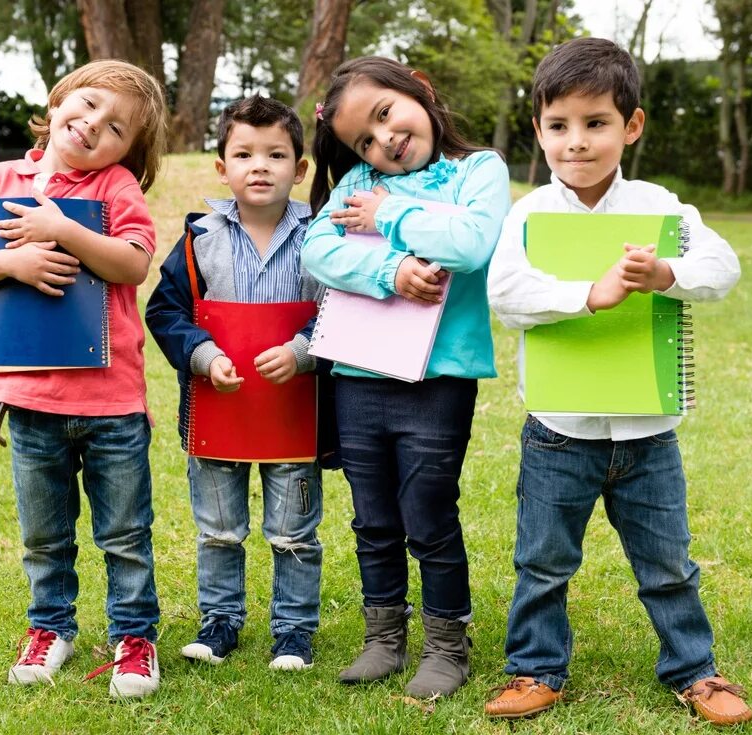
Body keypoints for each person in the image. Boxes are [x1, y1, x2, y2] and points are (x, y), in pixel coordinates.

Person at [485, 38, 752, 726]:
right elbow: (506, 292)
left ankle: (695, 670)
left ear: (630, 126)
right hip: (558, 433)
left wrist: (667, 273)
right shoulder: (528, 214)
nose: (576, 142)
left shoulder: (659, 207)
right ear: (539, 130)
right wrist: (590, 293)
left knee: (668, 565)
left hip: (647, 434)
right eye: (559, 125)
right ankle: (537, 667)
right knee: (542, 561)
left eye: (596, 122)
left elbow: (722, 266)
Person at [0, 60, 167, 699]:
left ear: (131, 149)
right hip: (31, 397)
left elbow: (133, 264)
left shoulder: (117, 188)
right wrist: (14, 258)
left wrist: (61, 228)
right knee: (44, 534)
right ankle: (50, 627)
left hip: (111, 401)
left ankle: (134, 636)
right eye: (88, 104)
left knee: (124, 531)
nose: (94, 123)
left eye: (117, 126)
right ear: (60, 97)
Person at [301, 56, 511, 698]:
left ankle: (448, 644)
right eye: (364, 139)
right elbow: (317, 248)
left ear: (418, 90)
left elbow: (473, 240)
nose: (382, 140)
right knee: (373, 516)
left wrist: (388, 215)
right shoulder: (357, 184)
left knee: (428, 511)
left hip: (438, 381)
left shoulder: (480, 171)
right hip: (359, 374)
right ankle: (383, 638)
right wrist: (391, 273)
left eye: (385, 114)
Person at [144, 96, 326, 671]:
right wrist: (200, 354)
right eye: (244, 153)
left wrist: (302, 350)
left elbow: (343, 310)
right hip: (218, 409)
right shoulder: (199, 239)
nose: (260, 165)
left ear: (300, 169)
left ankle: (293, 631)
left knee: (293, 529)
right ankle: (219, 621)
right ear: (222, 168)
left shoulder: (321, 238)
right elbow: (165, 309)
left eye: (276, 154)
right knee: (218, 529)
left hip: (293, 412)